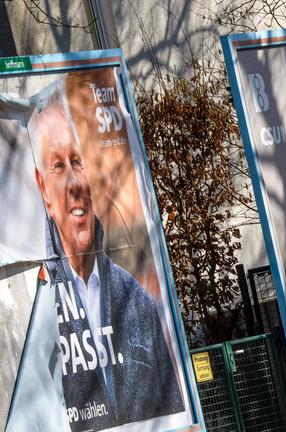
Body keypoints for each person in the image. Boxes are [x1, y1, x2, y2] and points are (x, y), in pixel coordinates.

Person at [29, 80, 183, 431]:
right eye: (58, 166)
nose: (75, 183)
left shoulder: (139, 304)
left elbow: (173, 408)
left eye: (77, 162)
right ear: (43, 188)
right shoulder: (40, 305)